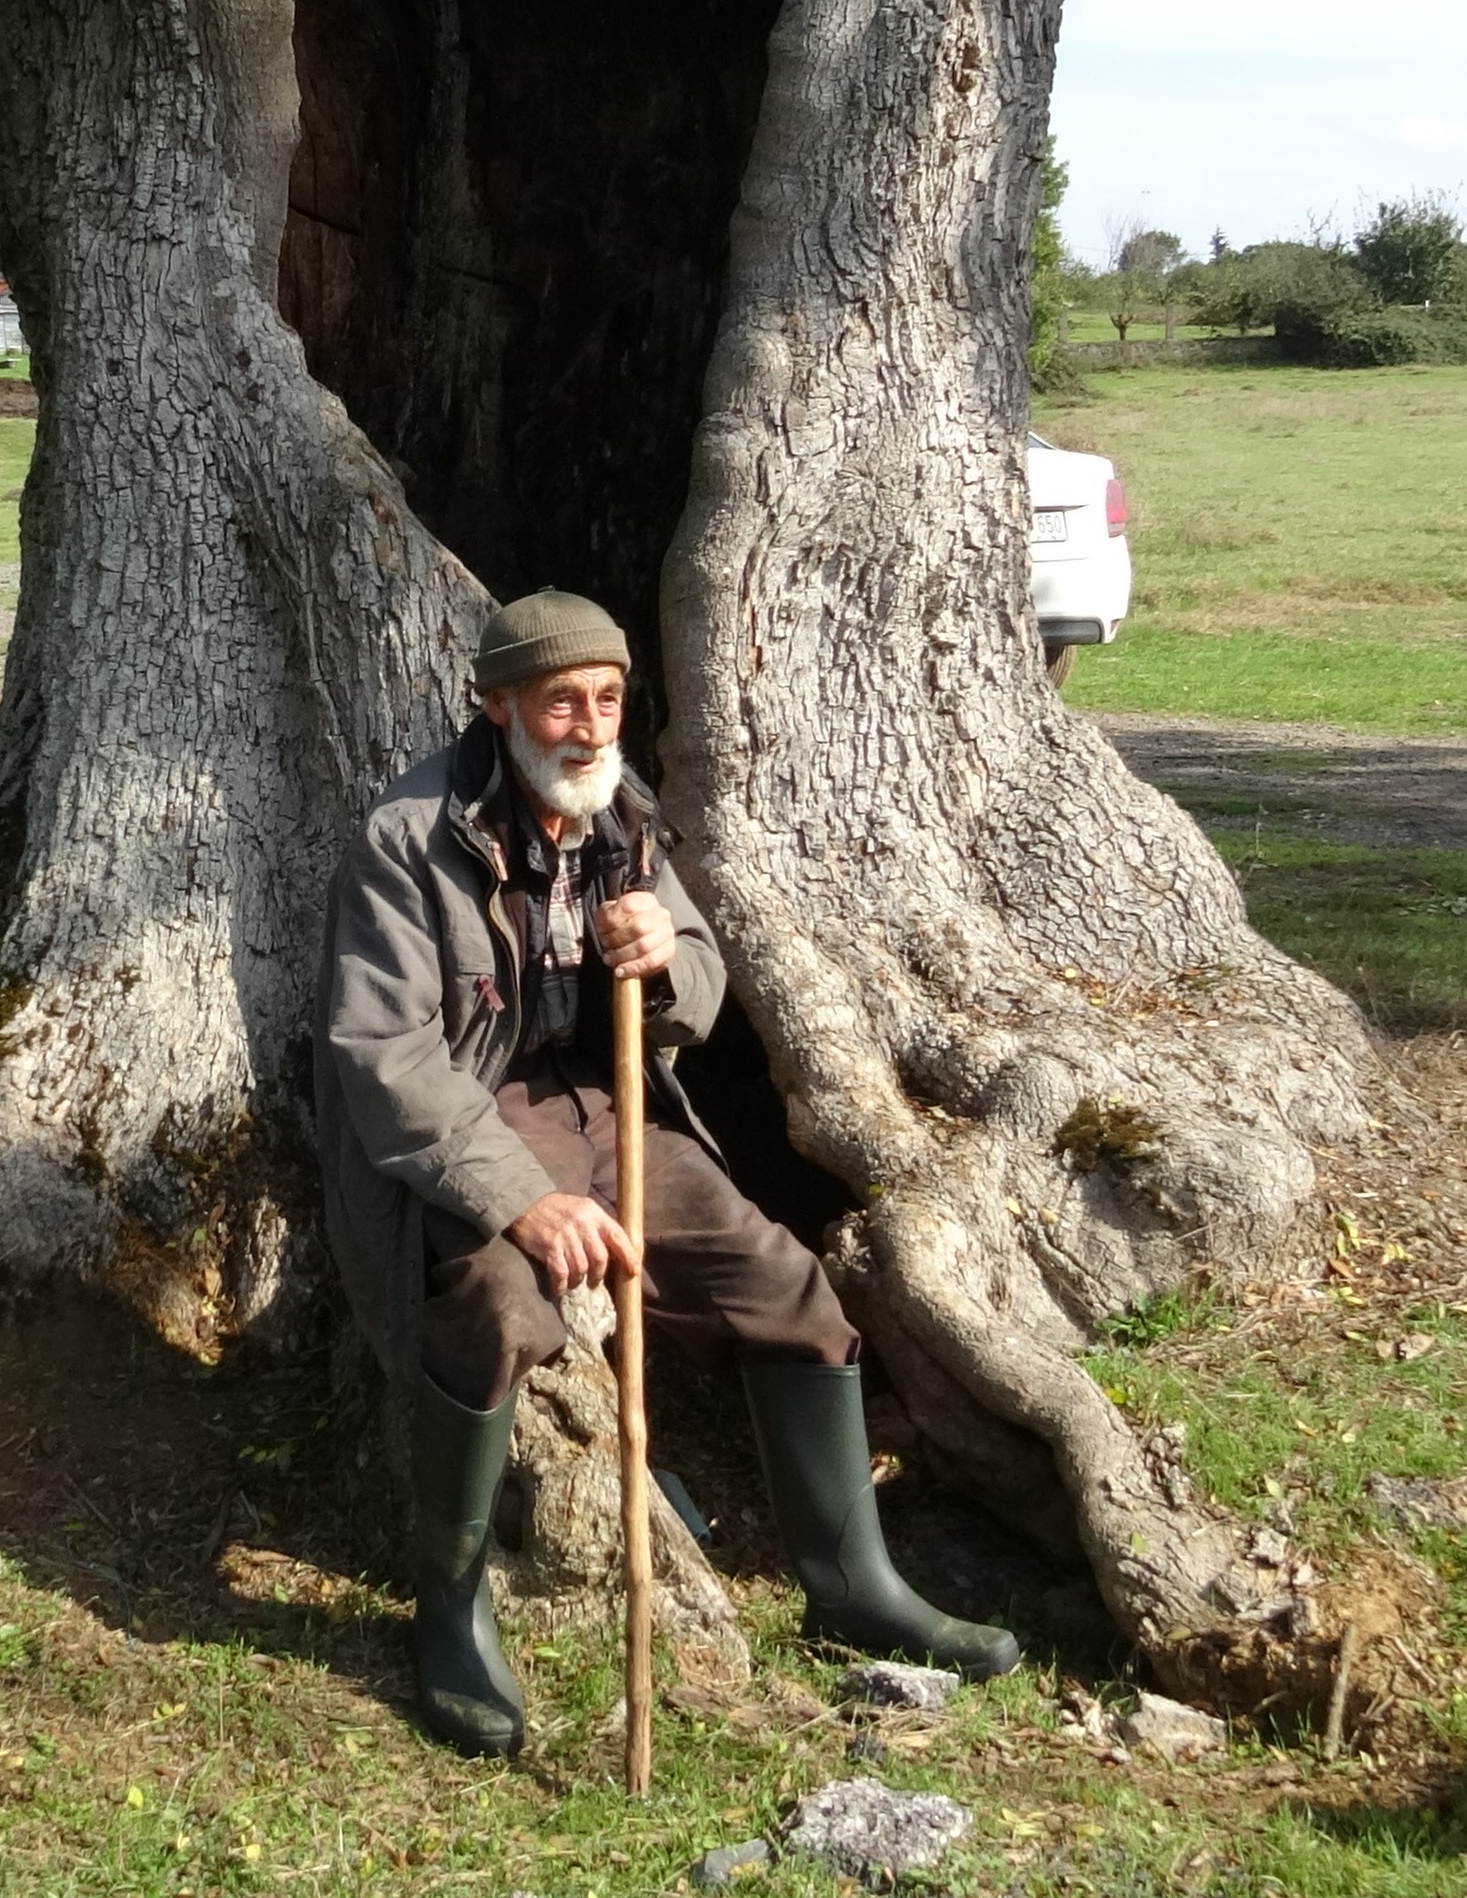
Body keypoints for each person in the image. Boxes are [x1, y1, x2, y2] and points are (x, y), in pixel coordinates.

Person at [315, 588, 1022, 1758]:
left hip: (614, 1107)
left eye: (607, 699)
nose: (589, 729)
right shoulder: (408, 837)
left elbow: (694, 978)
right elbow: (382, 1055)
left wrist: (668, 956)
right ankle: (448, 1604)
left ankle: (854, 1586)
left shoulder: (621, 817)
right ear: (498, 708)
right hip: (480, 1117)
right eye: (560, 703)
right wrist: (524, 1200)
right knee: (493, 1304)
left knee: (785, 1283)